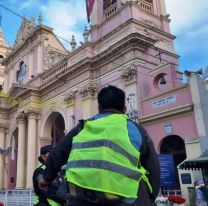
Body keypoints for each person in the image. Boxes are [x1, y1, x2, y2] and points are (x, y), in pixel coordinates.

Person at [39, 85, 160, 206]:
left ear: (99, 108)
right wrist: (151, 197)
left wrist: (46, 179)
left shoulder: (83, 127)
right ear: (124, 108)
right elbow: (153, 168)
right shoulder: (135, 129)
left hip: (82, 198)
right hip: (123, 199)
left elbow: (57, 153)